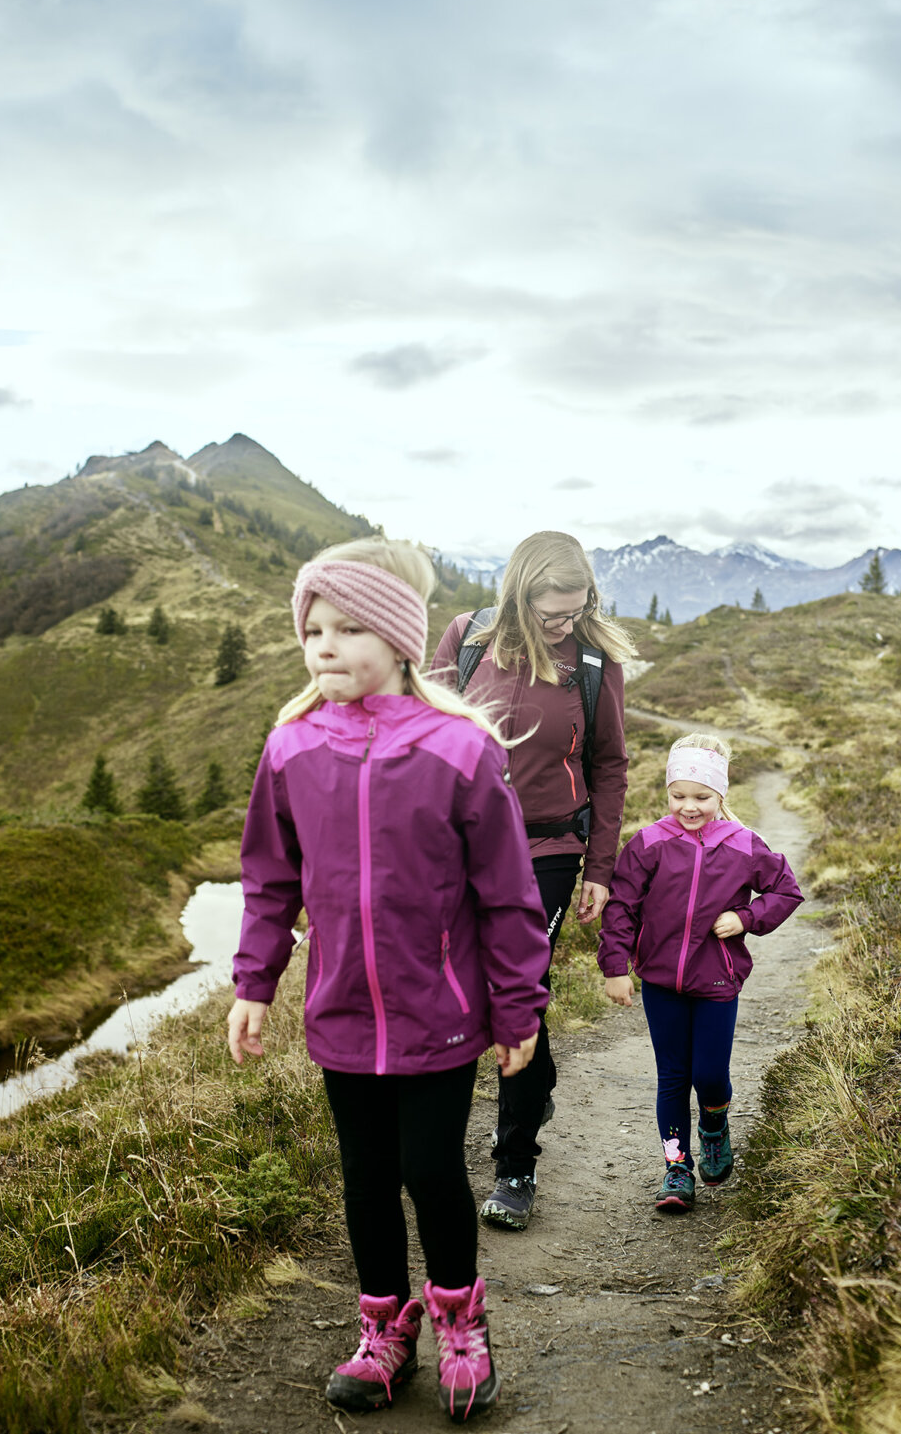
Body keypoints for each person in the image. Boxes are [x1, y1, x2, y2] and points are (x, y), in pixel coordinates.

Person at [227, 537, 551, 1422]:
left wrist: (519, 1003)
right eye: (312, 629)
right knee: (364, 1176)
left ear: (401, 637)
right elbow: (270, 880)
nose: (323, 645)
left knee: (429, 1169)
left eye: (347, 626)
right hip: (339, 1013)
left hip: (439, 1015)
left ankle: (460, 1322)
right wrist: (255, 982)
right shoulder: (291, 747)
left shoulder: (458, 749)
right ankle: (383, 1329)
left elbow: (509, 891)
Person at [428, 530, 634, 1232]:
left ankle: (515, 1167)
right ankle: (535, 1082)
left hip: (546, 847)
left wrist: (599, 868)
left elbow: (609, 767)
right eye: (552, 612)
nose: (563, 624)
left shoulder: (593, 664)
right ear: (519, 592)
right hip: (460, 842)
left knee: (514, 986)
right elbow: (423, 732)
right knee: (466, 983)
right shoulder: (468, 641)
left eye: (575, 611)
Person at [597, 734, 803, 1211]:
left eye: (701, 797)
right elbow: (622, 907)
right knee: (672, 1076)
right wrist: (616, 967)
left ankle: (714, 1124)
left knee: (709, 1075)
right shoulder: (648, 842)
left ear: (721, 796)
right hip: (660, 982)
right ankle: (676, 1169)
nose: (689, 807)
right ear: (667, 793)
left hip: (717, 981)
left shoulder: (744, 845)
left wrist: (746, 918)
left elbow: (785, 891)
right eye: (679, 796)